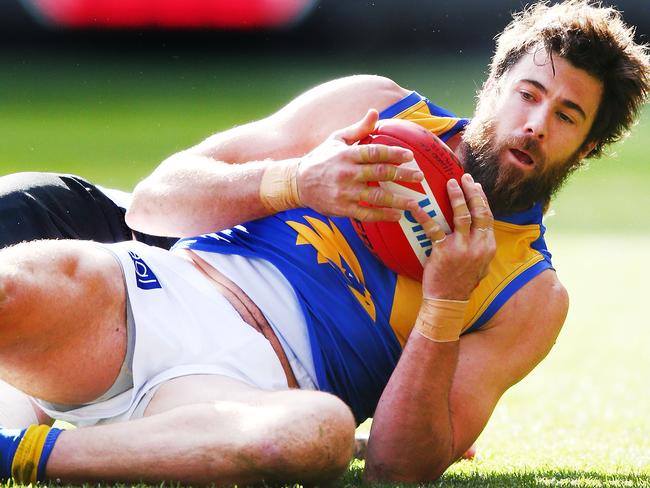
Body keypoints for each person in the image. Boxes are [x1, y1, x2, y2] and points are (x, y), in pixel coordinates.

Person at [1, 0, 648, 484]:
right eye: (527, 94)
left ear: (588, 147)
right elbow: (154, 199)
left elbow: (398, 469)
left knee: (321, 435)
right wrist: (293, 182)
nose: (534, 124)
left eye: (565, 115)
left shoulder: (530, 295)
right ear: (493, 89)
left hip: (246, 393)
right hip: (156, 293)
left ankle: (20, 451)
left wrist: (446, 303)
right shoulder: (374, 109)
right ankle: (24, 405)